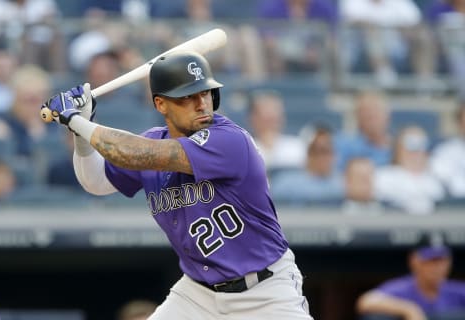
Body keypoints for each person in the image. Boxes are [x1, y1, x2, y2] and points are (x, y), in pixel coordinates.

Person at [40, 50, 313, 319]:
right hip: (198, 294)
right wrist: (80, 132)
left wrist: (76, 119)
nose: (201, 104)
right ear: (160, 104)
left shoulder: (230, 141)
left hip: (264, 291)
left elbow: (134, 152)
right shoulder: (153, 139)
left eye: (205, 93)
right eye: (187, 97)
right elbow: (95, 182)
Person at [356, 232, 465, 320]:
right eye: (430, 261)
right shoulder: (403, 287)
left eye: (440, 261)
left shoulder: (456, 290)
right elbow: (366, 301)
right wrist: (409, 309)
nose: (436, 268)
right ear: (414, 261)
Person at [373, 125, 445, 214]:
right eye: (411, 145)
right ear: (398, 148)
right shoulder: (382, 177)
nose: (416, 152)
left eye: (421, 145)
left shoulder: (437, 180)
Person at [271, 125, 344, 206]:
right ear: (308, 153)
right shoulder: (285, 183)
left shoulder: (344, 182)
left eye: (327, 151)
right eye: (317, 151)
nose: (323, 157)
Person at [334, 90, 392, 172]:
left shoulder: (398, 148)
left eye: (376, 111)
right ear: (357, 117)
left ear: (387, 115)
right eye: (366, 112)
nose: (371, 116)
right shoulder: (344, 144)